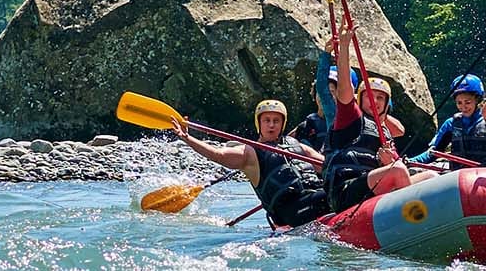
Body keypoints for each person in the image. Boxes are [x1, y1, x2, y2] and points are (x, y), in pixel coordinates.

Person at [172, 100, 331, 228]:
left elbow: (327, 166)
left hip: (315, 198)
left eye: (276, 121)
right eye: (266, 120)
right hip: (290, 210)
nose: (271, 125)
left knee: (336, 191)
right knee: (329, 198)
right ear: (259, 124)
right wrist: (188, 139)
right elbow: (217, 154)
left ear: (282, 124)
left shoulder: (296, 145)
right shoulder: (250, 153)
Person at [314, 30, 414, 212]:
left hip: (370, 185)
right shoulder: (350, 117)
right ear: (359, 99)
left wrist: (392, 160)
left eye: (380, 98)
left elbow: (396, 160)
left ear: (387, 104)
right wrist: (343, 48)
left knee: (429, 174)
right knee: (397, 170)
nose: (375, 102)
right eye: (369, 97)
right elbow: (344, 88)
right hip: (345, 189)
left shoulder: (383, 131)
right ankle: (415, 222)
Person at [410, 74, 486, 169]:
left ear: (478, 100)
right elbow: (433, 153)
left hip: (485, 176)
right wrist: (409, 161)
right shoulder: (450, 124)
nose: (463, 107)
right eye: (459, 103)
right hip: (458, 176)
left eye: (468, 102)